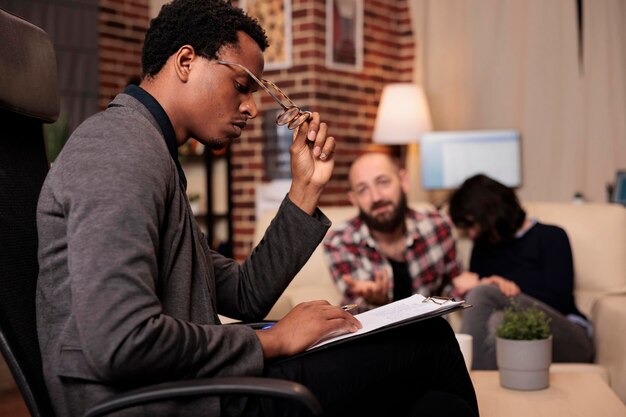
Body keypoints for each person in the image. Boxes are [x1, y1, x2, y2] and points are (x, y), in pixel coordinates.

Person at [36, 1, 478, 416]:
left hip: (188, 386)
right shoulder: (119, 150)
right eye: (241, 86)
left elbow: (245, 294)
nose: (250, 107)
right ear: (186, 62)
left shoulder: (150, 152)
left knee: (436, 403)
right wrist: (274, 341)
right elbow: (121, 342)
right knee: (429, 343)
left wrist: (305, 188)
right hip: (159, 402)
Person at [448, 174, 594, 370]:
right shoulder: (482, 248)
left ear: (491, 212)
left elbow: (559, 300)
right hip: (512, 333)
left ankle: (465, 382)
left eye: (473, 225)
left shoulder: (551, 237)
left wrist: (506, 286)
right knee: (499, 321)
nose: (472, 234)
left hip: (568, 337)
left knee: (486, 299)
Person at [323, 152, 462, 312]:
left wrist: (472, 288)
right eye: (363, 190)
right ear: (354, 199)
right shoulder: (339, 242)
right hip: (377, 335)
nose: (376, 197)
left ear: (403, 181)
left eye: (383, 182)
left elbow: (452, 287)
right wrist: (376, 302)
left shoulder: (439, 226)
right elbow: (355, 311)